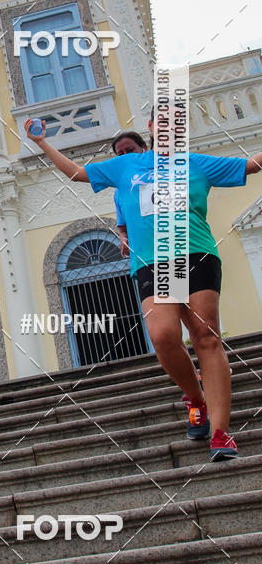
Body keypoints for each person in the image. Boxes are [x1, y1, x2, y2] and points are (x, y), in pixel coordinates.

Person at [25, 113, 262, 461]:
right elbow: (76, 173)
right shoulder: (128, 165)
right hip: (154, 262)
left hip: (195, 252)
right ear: (151, 129)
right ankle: (196, 397)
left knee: (206, 338)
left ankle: (221, 433)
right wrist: (42, 142)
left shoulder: (196, 163)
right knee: (164, 335)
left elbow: (252, 165)